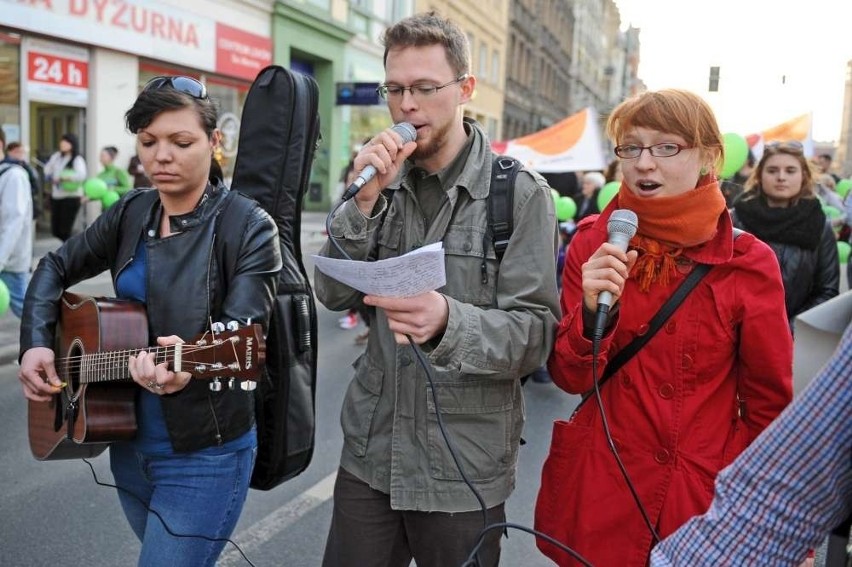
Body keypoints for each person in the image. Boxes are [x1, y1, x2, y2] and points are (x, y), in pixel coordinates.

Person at [314, 12, 560, 567]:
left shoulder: (519, 195)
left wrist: (450, 322)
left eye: (425, 88)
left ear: (465, 89)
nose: (406, 105)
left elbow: (535, 334)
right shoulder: (378, 182)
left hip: (462, 467)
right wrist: (362, 205)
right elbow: (331, 294)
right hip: (372, 453)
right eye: (395, 89)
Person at [17, 75, 282, 566]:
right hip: (126, 443)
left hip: (205, 454)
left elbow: (244, 328)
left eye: (181, 142)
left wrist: (187, 364)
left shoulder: (248, 226)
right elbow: (55, 266)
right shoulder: (131, 212)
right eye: (147, 142)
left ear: (214, 141)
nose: (161, 156)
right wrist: (35, 342)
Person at [535, 89, 793, 567]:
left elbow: (768, 407)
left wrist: (774, 518)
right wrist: (595, 314)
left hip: (697, 498)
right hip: (602, 487)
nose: (644, 163)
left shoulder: (748, 262)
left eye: (667, 147)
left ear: (708, 158)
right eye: (631, 147)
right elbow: (570, 378)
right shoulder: (594, 241)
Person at [650, 318, 852, 566]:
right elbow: (793, 483)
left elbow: (770, 405)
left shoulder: (747, 280)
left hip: (694, 480)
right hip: (611, 479)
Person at [731, 141, 839, 331]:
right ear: (759, 176)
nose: (781, 177)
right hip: (734, 335)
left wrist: (787, 329)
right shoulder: (735, 220)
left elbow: (827, 291)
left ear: (803, 176)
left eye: (790, 171)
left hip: (791, 340)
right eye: (772, 170)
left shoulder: (820, 227)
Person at [0, 129, 33, 318]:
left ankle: (53, 344)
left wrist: (1, 259)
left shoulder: (14, 176)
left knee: (25, 310)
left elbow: (13, 222)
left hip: (9, 261)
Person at [43, 132, 87, 241]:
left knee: (65, 229)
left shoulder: (77, 159)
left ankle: (70, 252)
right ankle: (69, 249)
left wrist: (64, 178)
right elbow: (47, 170)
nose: (63, 144)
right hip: (57, 196)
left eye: (66, 142)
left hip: (71, 196)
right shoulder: (57, 157)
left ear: (72, 144)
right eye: (62, 141)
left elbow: (81, 175)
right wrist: (51, 172)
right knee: (55, 229)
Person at [3, 141, 41, 219]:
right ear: (9, 152)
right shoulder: (4, 167)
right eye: (17, 152)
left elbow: (35, 186)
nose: (20, 154)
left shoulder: (26, 167)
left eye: (22, 152)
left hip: (25, 202)